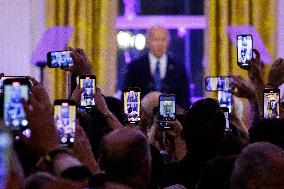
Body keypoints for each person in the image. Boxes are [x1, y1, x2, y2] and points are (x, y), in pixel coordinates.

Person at [125, 25, 189, 109]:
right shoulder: (135, 67)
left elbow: (184, 101)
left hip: (171, 119)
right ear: (148, 42)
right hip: (143, 119)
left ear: (168, 42)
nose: (160, 44)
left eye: (163, 40)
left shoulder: (179, 68)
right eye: (156, 40)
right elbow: (129, 103)